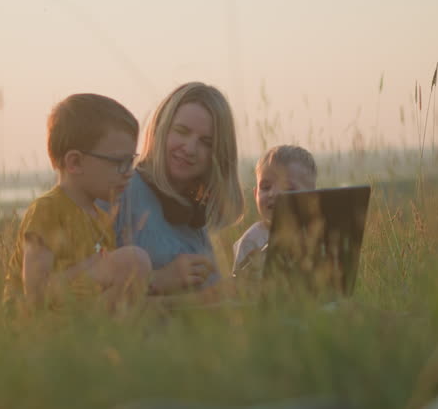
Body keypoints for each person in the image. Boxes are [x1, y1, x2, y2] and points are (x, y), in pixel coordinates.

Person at [4, 93, 151, 311]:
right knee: (134, 260)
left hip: (77, 324)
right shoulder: (47, 210)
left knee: (135, 264)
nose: (129, 173)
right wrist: (97, 266)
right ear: (75, 162)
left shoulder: (101, 218)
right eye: (120, 162)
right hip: (34, 330)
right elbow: (35, 294)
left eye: (131, 162)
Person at [114, 82, 244, 295]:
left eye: (206, 142)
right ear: (160, 129)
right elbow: (83, 301)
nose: (190, 149)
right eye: (182, 132)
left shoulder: (198, 212)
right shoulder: (119, 192)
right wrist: (158, 280)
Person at [231, 144, 318, 276]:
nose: (273, 194)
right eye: (265, 187)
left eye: (288, 189)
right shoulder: (251, 241)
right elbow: (240, 288)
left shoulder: (316, 232)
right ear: (255, 194)